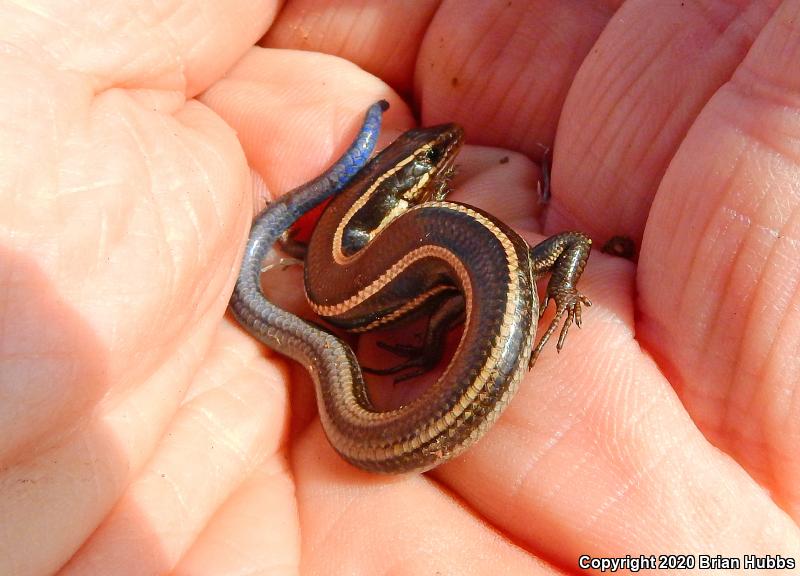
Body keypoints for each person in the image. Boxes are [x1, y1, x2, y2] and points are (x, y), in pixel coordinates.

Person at [2, 2, 798, 574]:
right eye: (431, 165)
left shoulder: (363, 261)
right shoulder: (356, 273)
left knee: (484, 285)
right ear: (406, 192)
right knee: (496, 280)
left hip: (454, 304)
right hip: (444, 310)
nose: (447, 156)